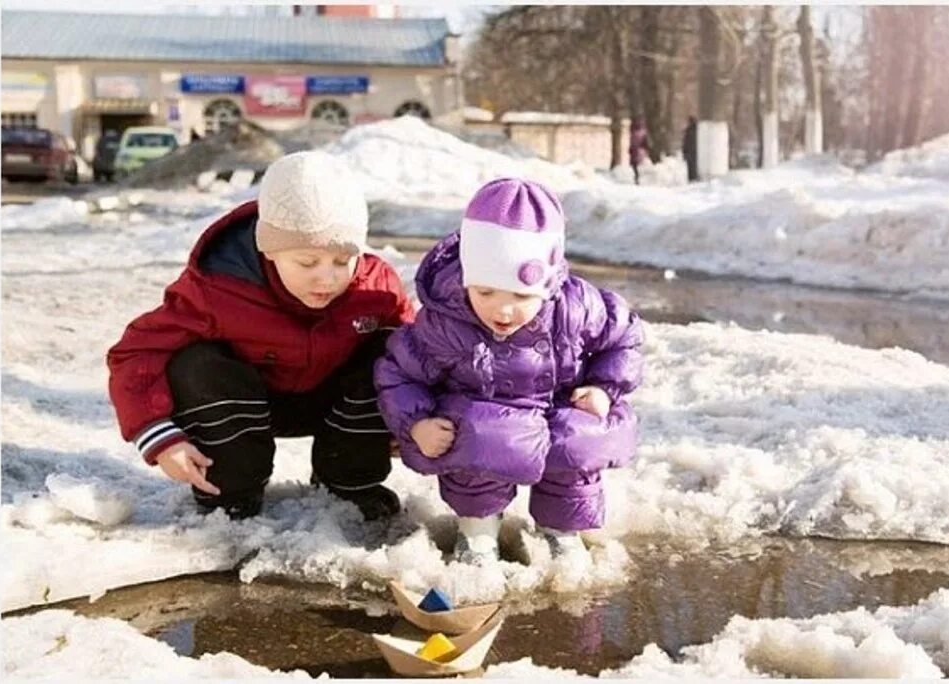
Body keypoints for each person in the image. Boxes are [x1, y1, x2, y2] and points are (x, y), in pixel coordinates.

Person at [106, 151, 414, 521]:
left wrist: (411, 416)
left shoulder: (376, 288)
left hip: (331, 401)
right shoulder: (218, 287)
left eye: (342, 260)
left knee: (391, 353)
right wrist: (158, 436)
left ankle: (348, 483)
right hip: (244, 402)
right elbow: (136, 352)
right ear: (271, 250)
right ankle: (231, 490)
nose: (327, 277)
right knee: (195, 362)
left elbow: (419, 355)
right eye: (307, 262)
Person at [375, 178, 644, 566]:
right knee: (480, 434)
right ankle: (478, 531)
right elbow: (399, 372)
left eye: (520, 297)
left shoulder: (577, 307)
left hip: (556, 413)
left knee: (577, 438)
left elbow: (625, 338)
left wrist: (603, 388)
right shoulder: (445, 323)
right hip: (484, 421)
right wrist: (417, 422)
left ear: (548, 285)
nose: (502, 311)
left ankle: (562, 529)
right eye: (485, 293)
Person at [628, 118, 650, 185]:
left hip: (636, 150)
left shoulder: (634, 133)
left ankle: (638, 177)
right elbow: (645, 142)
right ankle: (638, 177)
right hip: (639, 150)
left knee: (636, 165)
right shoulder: (643, 133)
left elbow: (632, 142)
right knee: (638, 165)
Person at [682, 116, 699, 183]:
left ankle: (691, 179)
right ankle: (694, 178)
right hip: (695, 152)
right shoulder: (698, 130)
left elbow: (686, 142)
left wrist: (684, 152)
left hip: (690, 151)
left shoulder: (689, 130)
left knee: (690, 167)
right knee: (694, 166)